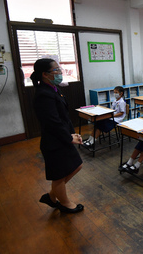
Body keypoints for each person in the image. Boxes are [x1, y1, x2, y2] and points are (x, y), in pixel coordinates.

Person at [32, 58, 84, 213]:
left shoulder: (54, 89)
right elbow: (52, 122)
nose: (60, 72)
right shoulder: (43, 94)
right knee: (59, 176)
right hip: (54, 142)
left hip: (62, 137)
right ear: (45, 74)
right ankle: (65, 204)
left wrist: (72, 134)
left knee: (76, 165)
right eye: (56, 70)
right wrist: (68, 138)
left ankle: (51, 196)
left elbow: (64, 117)